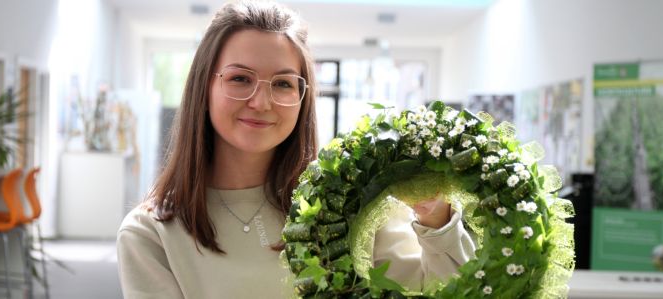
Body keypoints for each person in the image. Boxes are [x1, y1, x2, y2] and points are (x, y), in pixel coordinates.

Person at [116, 1, 475, 298]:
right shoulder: (150, 234)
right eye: (240, 78)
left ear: (303, 99)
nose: (261, 102)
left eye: (284, 84)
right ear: (203, 87)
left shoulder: (349, 205)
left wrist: (436, 218)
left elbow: (448, 289)